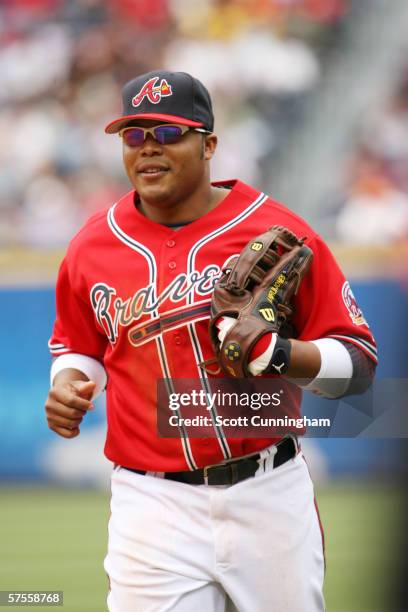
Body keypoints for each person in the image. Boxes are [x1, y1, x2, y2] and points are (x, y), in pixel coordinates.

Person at [45, 70, 377, 612]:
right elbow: (78, 346)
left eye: (168, 133)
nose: (148, 149)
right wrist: (70, 382)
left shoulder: (276, 231)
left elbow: (359, 365)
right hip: (152, 502)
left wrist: (282, 355)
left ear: (210, 144)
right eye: (134, 135)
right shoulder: (91, 247)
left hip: (267, 492)